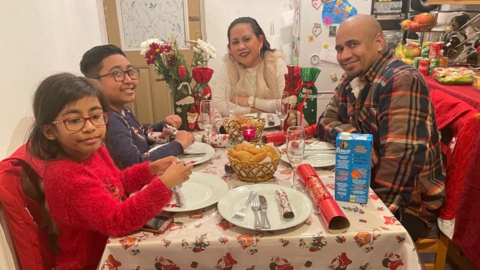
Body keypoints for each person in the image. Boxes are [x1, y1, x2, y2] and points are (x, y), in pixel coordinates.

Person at [26, 73, 193, 269]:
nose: (89, 127)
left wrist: (150, 169)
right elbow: (117, 220)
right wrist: (164, 184)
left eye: (96, 116)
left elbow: (119, 182)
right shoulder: (66, 176)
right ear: (49, 131)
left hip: (115, 250)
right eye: (73, 121)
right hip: (92, 262)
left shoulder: (95, 151)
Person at [317, 15, 445, 241]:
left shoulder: (402, 79)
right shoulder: (350, 80)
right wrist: (355, 138)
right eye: (339, 48)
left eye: (353, 44)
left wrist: (372, 221)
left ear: (378, 42)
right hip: (363, 187)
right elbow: (324, 122)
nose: (344, 55)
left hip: (408, 207)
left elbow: (399, 164)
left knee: (327, 239)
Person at [80, 44, 195, 168]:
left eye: (130, 71)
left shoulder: (122, 110)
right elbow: (136, 163)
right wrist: (179, 144)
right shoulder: (108, 121)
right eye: (117, 73)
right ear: (93, 83)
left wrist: (161, 126)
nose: (129, 80)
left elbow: (139, 133)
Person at [213, 17, 288, 116]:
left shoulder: (275, 63)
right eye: (235, 42)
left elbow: (285, 104)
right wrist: (256, 111)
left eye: (246, 39)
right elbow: (219, 105)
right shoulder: (228, 66)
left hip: (274, 129)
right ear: (230, 49)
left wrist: (251, 102)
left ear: (260, 41)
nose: (241, 47)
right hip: (239, 129)